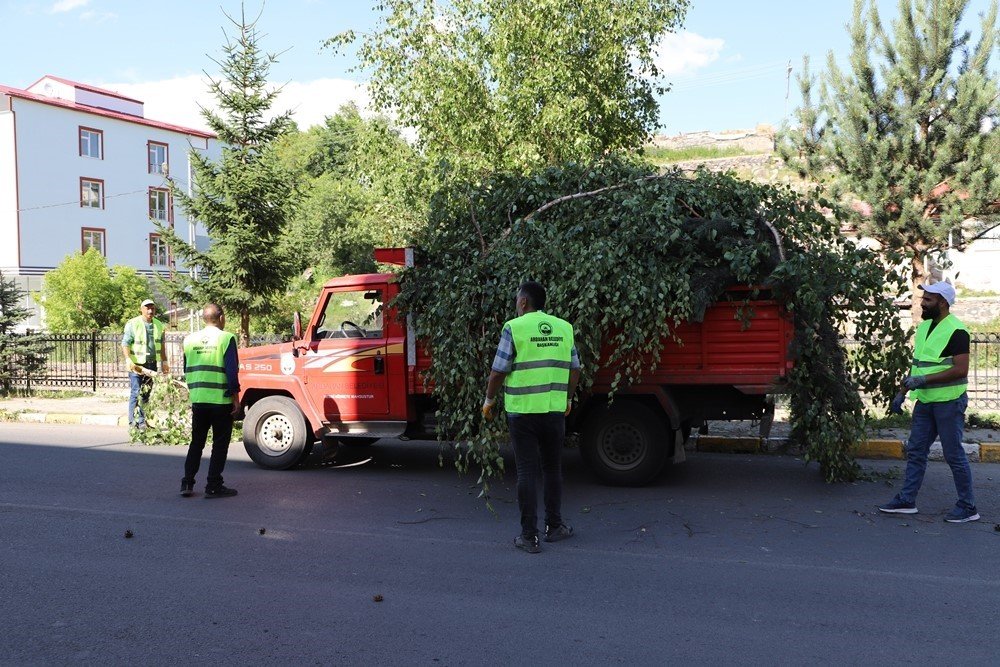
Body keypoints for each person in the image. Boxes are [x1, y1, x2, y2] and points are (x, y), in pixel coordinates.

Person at [483, 281, 581, 553]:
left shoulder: (514, 328)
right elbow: (575, 369)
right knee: (552, 469)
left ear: (523, 302)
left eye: (517, 300)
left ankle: (529, 537)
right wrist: (568, 399)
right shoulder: (564, 328)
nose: (516, 304)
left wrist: (489, 400)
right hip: (553, 410)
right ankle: (555, 526)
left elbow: (497, 372)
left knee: (527, 471)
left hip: (523, 412)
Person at [879, 281, 979, 523]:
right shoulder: (924, 328)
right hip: (925, 401)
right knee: (916, 451)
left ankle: (968, 507)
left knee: (953, 454)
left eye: (928, 299)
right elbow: (918, 365)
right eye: (923, 298)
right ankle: (907, 500)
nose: (922, 303)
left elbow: (961, 370)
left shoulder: (957, 330)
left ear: (943, 303)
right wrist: (902, 392)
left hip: (948, 401)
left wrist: (923, 379)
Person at [180, 303, 240, 499]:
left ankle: (187, 483)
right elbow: (232, 373)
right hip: (220, 401)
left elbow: (186, 368)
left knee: (196, 442)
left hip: (198, 400)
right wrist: (236, 399)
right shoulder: (226, 338)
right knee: (219, 444)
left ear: (205, 318)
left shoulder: (189, 340)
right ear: (221, 318)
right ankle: (213, 485)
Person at [121, 298, 168, 430]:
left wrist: (164, 361)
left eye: (152, 308)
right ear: (141, 309)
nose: (150, 310)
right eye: (147, 308)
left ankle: (142, 421)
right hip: (136, 365)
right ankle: (132, 422)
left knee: (146, 394)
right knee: (136, 392)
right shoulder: (133, 323)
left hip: (151, 364)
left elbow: (162, 345)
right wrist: (128, 359)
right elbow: (125, 343)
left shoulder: (159, 325)